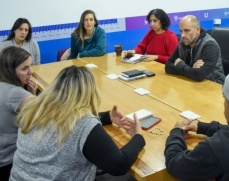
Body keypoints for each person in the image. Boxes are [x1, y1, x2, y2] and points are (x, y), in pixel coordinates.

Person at [10, 65, 145, 181]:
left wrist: (106, 117)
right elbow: (119, 165)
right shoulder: (83, 123)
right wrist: (138, 137)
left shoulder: (32, 109)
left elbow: (62, 120)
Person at [0, 47, 37, 181]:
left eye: (30, 66)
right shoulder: (17, 94)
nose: (31, 72)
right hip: (8, 161)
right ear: (10, 70)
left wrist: (31, 94)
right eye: (24, 68)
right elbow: (48, 116)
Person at [165, 15, 225, 84]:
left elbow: (199, 75)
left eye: (187, 30)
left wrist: (180, 65)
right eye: (181, 31)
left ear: (198, 30)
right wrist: (191, 69)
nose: (182, 35)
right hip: (191, 82)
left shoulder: (210, 45)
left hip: (213, 86)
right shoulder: (183, 41)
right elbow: (168, 66)